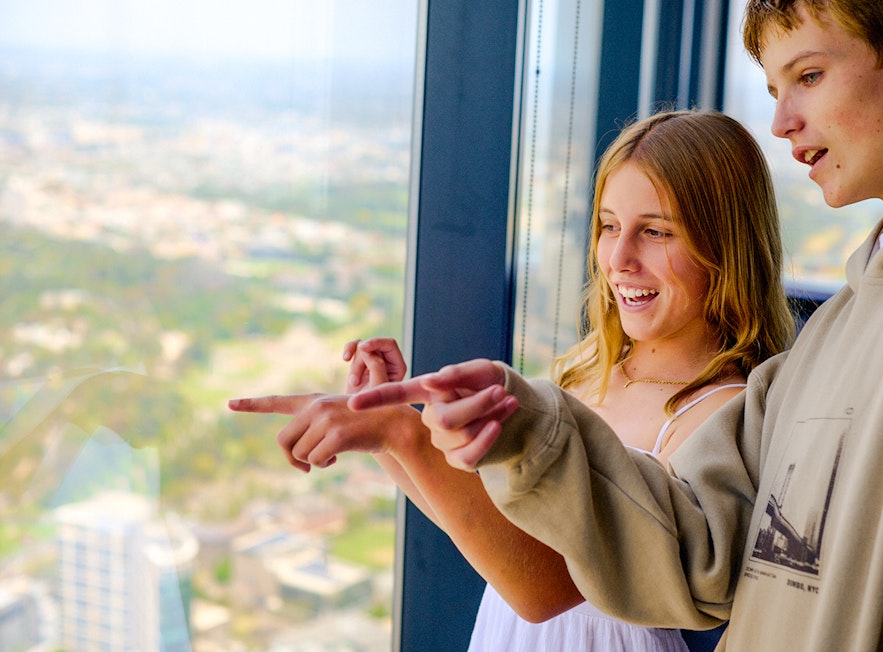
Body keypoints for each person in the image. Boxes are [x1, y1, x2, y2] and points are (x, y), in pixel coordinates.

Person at [349, 0, 883, 649]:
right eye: (775, 91)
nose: (782, 122)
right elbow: (694, 556)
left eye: (808, 75)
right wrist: (516, 425)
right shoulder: (843, 321)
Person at [230, 108, 795, 650]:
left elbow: (546, 589)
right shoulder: (584, 376)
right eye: (608, 226)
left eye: (657, 232)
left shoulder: (716, 414)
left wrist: (398, 433)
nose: (618, 258)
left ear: (727, 245)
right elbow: (496, 528)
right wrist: (387, 424)